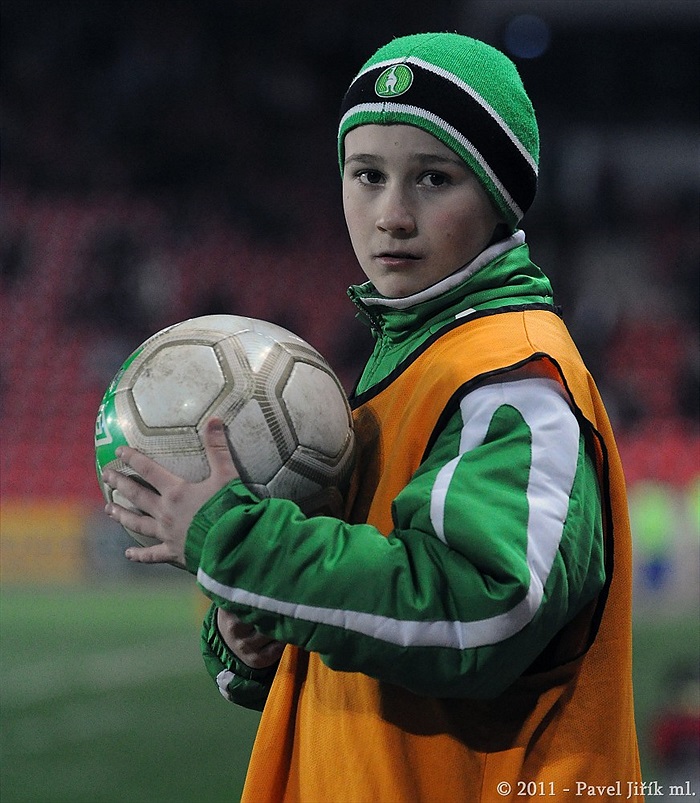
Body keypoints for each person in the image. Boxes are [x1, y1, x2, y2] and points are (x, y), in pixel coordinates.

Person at [103, 32, 644, 803]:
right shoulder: (413, 362)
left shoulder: (513, 377)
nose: (391, 215)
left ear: (499, 196)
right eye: (367, 175)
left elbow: (479, 613)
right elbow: (366, 628)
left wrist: (242, 546)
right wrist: (251, 633)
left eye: (433, 177)